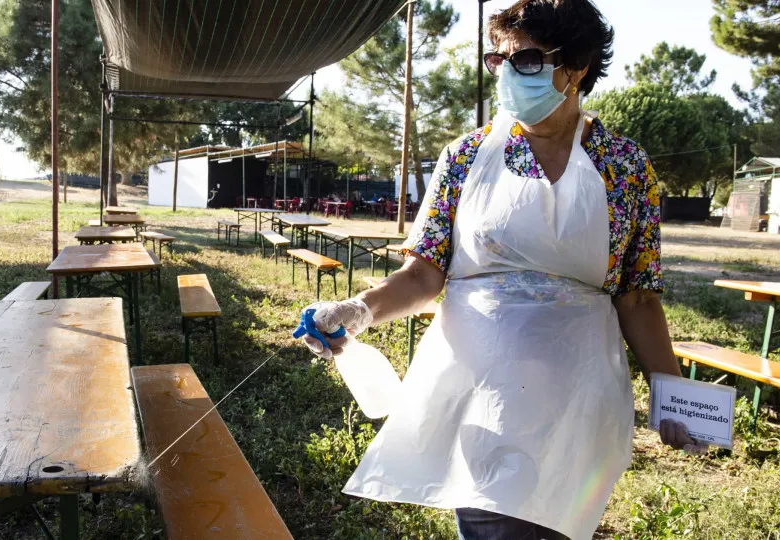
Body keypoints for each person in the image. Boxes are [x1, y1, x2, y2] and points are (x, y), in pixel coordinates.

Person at [296, 1, 702, 538]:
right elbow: (424, 275)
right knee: (492, 520)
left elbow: (638, 298)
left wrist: (676, 397)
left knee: (555, 523)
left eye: (527, 60)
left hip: (578, 398)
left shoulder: (625, 167)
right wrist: (358, 310)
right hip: (479, 391)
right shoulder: (467, 156)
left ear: (577, 66)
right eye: (499, 60)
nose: (509, 73)